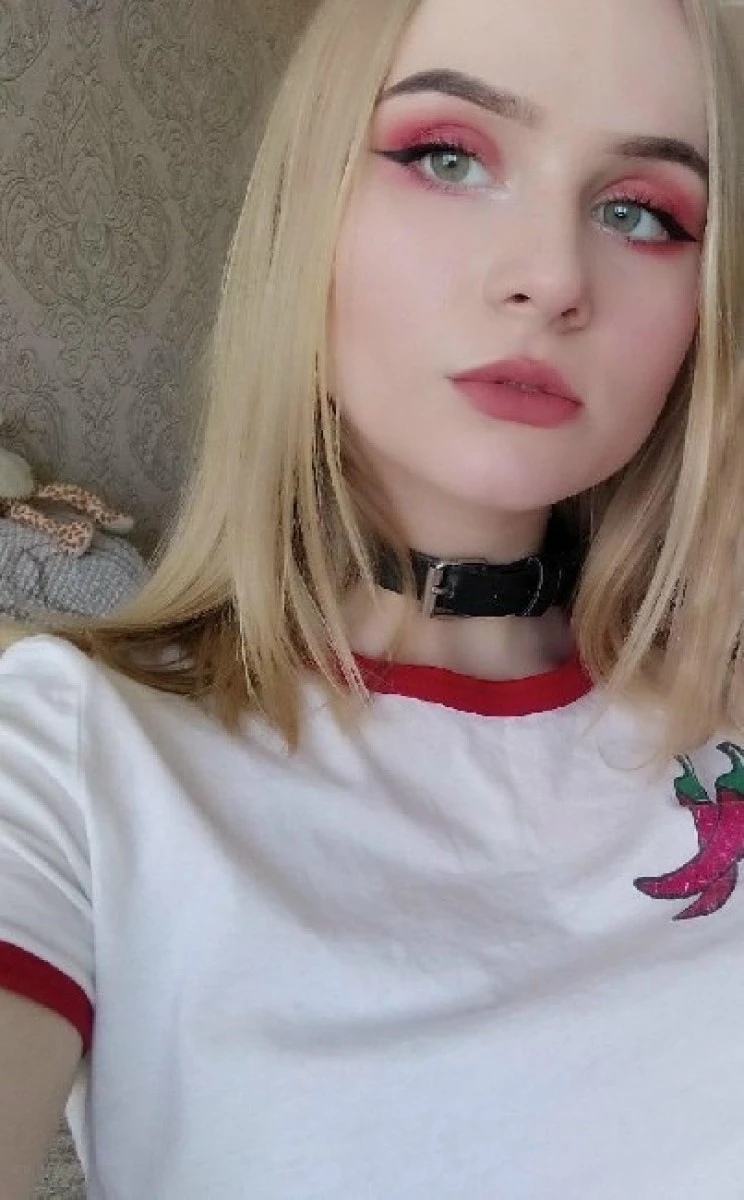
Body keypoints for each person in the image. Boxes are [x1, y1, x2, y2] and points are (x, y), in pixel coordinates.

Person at [1, 0, 743, 1194]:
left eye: (641, 212)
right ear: (310, 213)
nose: (553, 277)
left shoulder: (719, 710)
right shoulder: (73, 748)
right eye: (448, 157)